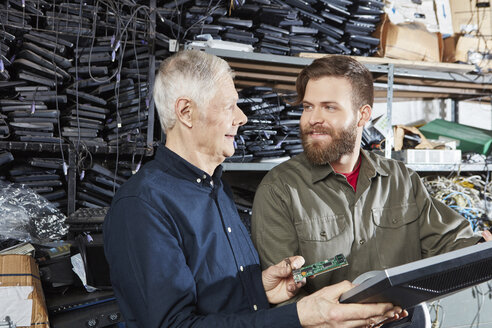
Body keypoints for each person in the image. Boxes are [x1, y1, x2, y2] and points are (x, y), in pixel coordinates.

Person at [103, 50, 404, 328]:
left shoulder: (215, 188)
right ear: (185, 112)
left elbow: (214, 301)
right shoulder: (142, 206)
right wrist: (300, 316)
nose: (242, 118)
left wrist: (260, 289)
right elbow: (174, 325)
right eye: (229, 106)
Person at [251, 55, 492, 297]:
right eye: (307, 107)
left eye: (329, 107)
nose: (313, 119)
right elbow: (281, 294)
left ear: (363, 115)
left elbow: (449, 243)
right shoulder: (279, 189)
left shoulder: (402, 180)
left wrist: (482, 249)